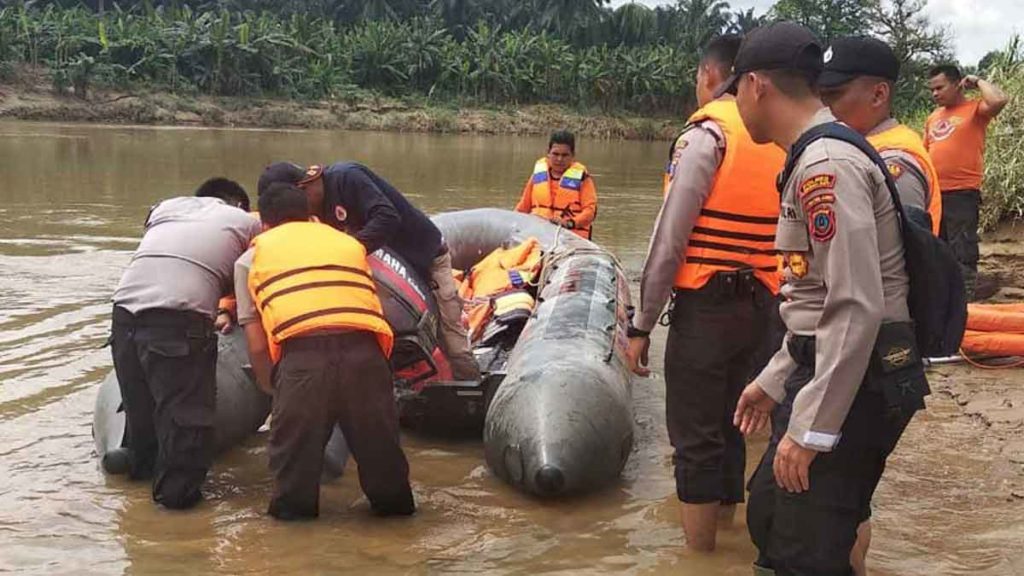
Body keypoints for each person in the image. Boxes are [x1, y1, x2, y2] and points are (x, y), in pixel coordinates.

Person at [724, 22, 926, 575]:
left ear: (757, 85)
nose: (736, 103)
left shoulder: (825, 167)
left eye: (736, 89)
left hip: (863, 381)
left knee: (802, 550)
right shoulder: (815, 156)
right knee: (769, 512)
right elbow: (817, 299)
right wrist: (774, 378)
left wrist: (811, 429)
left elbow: (855, 306)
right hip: (843, 372)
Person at [625, 34, 784, 552]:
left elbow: (670, 238)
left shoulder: (707, 136)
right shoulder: (782, 139)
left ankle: (699, 558)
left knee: (695, 436)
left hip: (708, 309)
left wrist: (641, 324)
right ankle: (729, 531)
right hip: (765, 307)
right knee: (735, 420)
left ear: (711, 75)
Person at [237, 183, 415, 520]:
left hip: (303, 358)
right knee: (383, 460)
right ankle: (398, 533)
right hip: (367, 356)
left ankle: (297, 554)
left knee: (293, 476)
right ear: (311, 215)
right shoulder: (349, 243)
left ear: (265, 224)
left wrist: (271, 388)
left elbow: (258, 342)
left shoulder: (251, 258)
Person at [108, 183, 261, 509]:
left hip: (123, 317)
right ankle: (177, 515)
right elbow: (252, 273)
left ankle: (138, 500)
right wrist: (229, 310)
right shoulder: (247, 222)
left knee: (142, 414)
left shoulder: (166, 207)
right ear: (238, 204)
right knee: (187, 417)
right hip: (177, 321)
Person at [257, 161, 480, 382]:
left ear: (303, 188)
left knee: (452, 340)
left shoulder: (347, 178)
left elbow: (387, 217)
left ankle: (472, 392)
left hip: (425, 260)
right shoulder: (313, 214)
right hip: (384, 274)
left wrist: (348, 250)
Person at [819, 36, 942, 236]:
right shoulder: (861, 146)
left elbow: (900, 258)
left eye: (833, 94)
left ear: (878, 95)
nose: (823, 106)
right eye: (819, 96)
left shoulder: (894, 162)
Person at [925, 64, 1008, 297]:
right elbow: (924, 154)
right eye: (932, 89)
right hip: (935, 194)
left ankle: (966, 302)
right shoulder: (933, 118)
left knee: (962, 249)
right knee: (937, 249)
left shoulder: (974, 110)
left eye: (940, 87)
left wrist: (978, 81)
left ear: (957, 83)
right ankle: (943, 300)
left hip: (962, 191)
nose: (935, 94)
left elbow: (999, 100)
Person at [514, 130, 598, 239]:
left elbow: (590, 212)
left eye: (565, 155)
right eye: (555, 154)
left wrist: (569, 223)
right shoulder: (538, 176)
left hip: (571, 237)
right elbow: (522, 208)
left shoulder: (583, 179)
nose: (559, 159)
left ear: (573, 155)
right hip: (539, 235)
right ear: (548, 153)